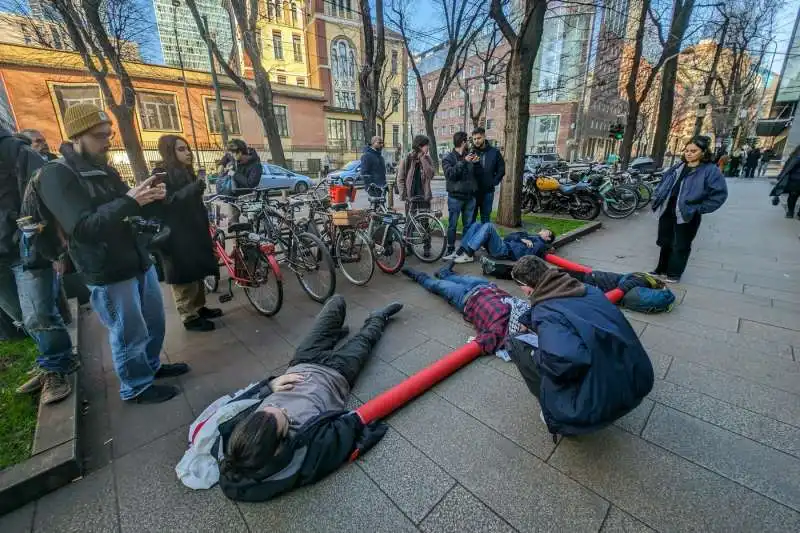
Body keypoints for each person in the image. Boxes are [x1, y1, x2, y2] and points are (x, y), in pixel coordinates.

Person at [36, 103, 189, 404]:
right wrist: (131, 201)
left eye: (109, 134)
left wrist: (149, 198)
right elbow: (83, 228)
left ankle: (151, 366)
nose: (108, 141)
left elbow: (124, 209)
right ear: (77, 136)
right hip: (106, 268)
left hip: (136, 259)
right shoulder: (57, 174)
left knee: (154, 321)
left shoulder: (103, 168)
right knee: (128, 331)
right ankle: (136, 386)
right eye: (100, 135)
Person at [217, 295, 402, 501]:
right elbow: (350, 430)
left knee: (337, 301)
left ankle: (332, 336)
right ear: (279, 448)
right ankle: (378, 317)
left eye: (273, 407)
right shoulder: (307, 452)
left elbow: (234, 404)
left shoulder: (236, 440)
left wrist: (268, 387)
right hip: (338, 373)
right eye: (284, 417)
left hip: (304, 360)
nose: (284, 408)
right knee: (367, 338)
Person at [508, 256, 654, 437]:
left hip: (599, 402)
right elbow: (568, 309)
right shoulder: (587, 290)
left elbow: (563, 359)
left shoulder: (545, 313)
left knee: (516, 345)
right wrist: (529, 319)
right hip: (637, 378)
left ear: (527, 287)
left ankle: (554, 412)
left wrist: (538, 354)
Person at [0, 127, 76, 404]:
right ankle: (49, 359)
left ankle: (56, 366)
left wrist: (57, 250)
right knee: (21, 315)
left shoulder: (15, 151)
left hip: (26, 248)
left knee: (39, 314)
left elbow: (49, 199)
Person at [152, 135, 222, 333]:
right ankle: (188, 316)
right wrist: (193, 188)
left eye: (187, 149)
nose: (188, 153)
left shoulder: (186, 172)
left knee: (197, 270)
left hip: (193, 229)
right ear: (169, 152)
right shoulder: (160, 174)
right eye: (181, 149)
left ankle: (199, 307)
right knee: (183, 275)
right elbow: (167, 202)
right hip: (176, 233)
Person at [401, 263, 527, 355]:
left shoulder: (499, 333)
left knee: (437, 285)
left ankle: (418, 277)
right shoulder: (524, 311)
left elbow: (483, 344)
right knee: (457, 278)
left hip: (466, 298)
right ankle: (444, 273)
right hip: (486, 286)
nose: (525, 325)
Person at [650, 135, 728, 283]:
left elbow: (719, 194)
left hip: (688, 213)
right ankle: (661, 270)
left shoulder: (710, 170)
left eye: (694, 150)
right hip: (668, 209)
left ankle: (674, 274)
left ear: (703, 152)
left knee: (681, 244)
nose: (689, 153)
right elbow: (663, 183)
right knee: (665, 241)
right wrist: (657, 196)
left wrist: (699, 208)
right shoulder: (678, 167)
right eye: (687, 150)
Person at [441, 131, 478, 259]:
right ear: (463, 142)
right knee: (452, 225)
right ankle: (450, 248)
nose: (468, 143)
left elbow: (475, 175)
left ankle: (464, 248)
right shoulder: (448, 157)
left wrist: (476, 163)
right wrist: (463, 162)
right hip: (455, 197)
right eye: (467, 140)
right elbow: (450, 175)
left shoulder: (470, 155)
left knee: (468, 225)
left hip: (469, 197)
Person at [451, 223, 554, 264]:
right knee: (477, 224)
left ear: (548, 238)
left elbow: (529, 255)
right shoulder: (530, 235)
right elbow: (510, 236)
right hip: (503, 244)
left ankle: (469, 254)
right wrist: (522, 239)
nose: (544, 230)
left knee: (489, 226)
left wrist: (547, 248)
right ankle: (461, 251)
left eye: (547, 231)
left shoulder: (540, 244)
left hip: (505, 251)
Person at [470, 127, 505, 224]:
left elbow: (501, 169)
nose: (476, 141)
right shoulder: (471, 153)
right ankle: (472, 239)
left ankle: (485, 239)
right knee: (471, 218)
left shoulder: (495, 152)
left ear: (484, 137)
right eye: (474, 139)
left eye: (479, 138)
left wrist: (494, 182)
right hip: (473, 192)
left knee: (485, 219)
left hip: (488, 192)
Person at [396, 134, 435, 218]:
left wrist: (423, 159)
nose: (428, 147)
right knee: (410, 221)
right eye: (426, 145)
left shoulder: (427, 159)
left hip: (424, 196)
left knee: (424, 221)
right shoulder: (408, 158)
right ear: (420, 146)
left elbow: (431, 175)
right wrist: (404, 195)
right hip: (411, 196)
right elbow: (400, 178)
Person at [769, 145, 800, 218]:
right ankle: (791, 212)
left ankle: (791, 212)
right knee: (793, 195)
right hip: (795, 180)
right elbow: (787, 167)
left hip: (794, 179)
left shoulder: (794, 156)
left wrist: (781, 175)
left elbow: (786, 166)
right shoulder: (794, 157)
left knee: (793, 195)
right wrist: (781, 175)